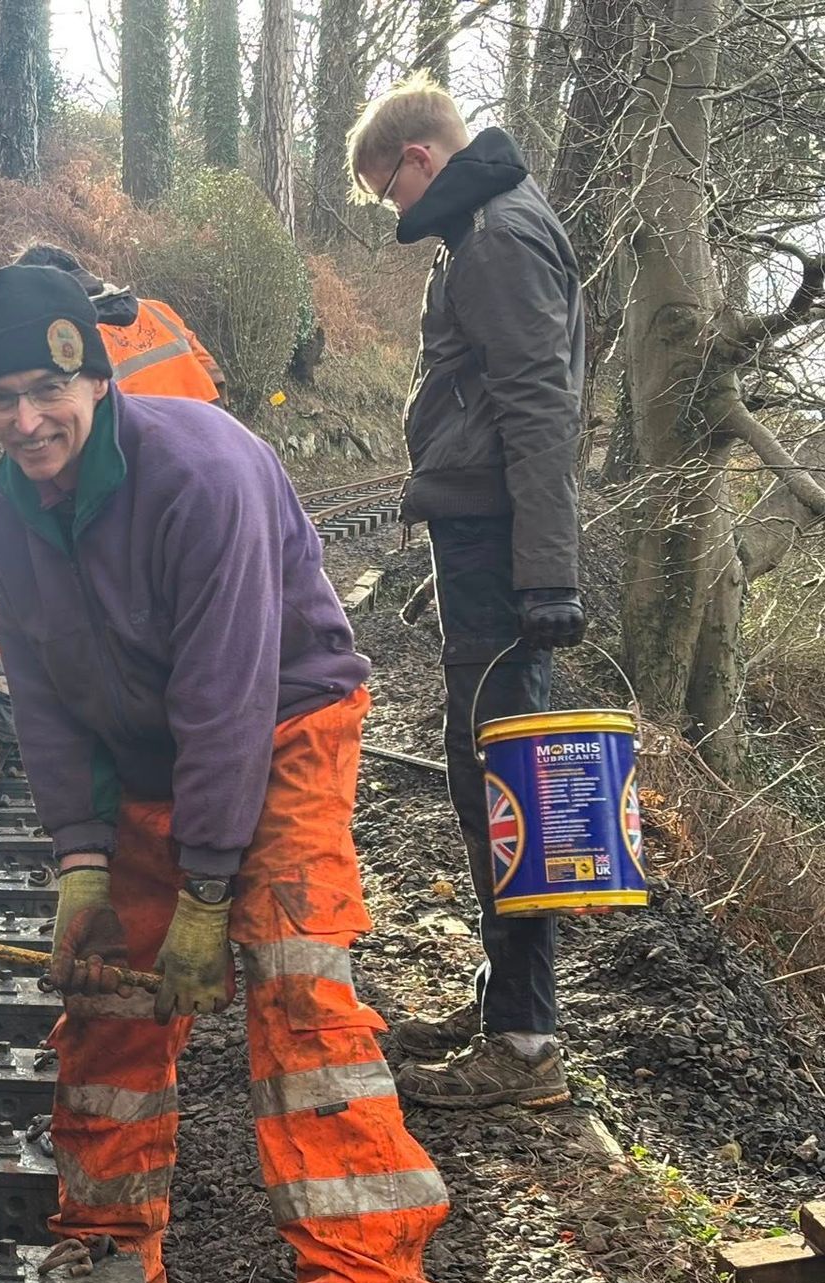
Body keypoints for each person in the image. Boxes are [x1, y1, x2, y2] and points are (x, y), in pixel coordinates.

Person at [0, 263, 450, 1283]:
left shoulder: (198, 473)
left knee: (297, 992)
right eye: (2, 399)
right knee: (109, 992)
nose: (27, 420)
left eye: (46, 390)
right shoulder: (8, 506)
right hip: (140, 751)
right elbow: (41, 693)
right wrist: (81, 863)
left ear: (95, 381)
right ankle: (105, 1248)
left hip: (281, 730)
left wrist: (206, 890)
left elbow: (227, 697)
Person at [348, 75, 585, 1109]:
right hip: (486, 534)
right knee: (485, 770)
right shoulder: (484, 227)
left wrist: (548, 575)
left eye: (387, 192)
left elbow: (540, 408)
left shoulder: (493, 236)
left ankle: (527, 1042)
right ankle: (506, 1006)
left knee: (503, 781)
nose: (393, 212)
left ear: (421, 160)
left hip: (498, 546)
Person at [13, 241, 223, 402]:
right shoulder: (156, 309)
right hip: (213, 424)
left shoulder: (71, 339)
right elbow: (211, 370)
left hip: (152, 441)